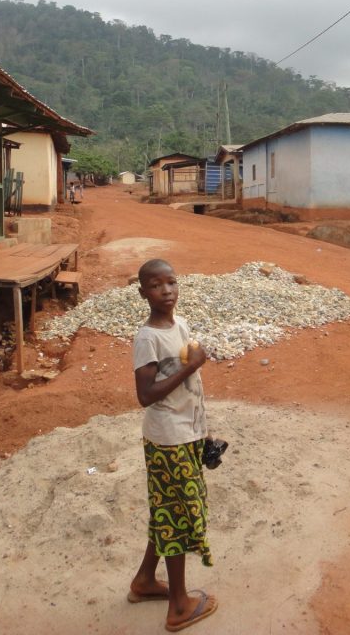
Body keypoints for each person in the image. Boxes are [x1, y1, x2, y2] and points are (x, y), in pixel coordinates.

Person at [128, 258, 219, 631]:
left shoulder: (180, 325)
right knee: (179, 516)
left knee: (167, 509)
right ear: (142, 293)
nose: (166, 291)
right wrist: (190, 366)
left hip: (186, 433)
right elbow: (145, 395)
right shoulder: (146, 337)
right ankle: (179, 606)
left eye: (171, 282)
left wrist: (204, 431)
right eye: (156, 285)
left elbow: (189, 388)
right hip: (167, 440)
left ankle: (145, 581)